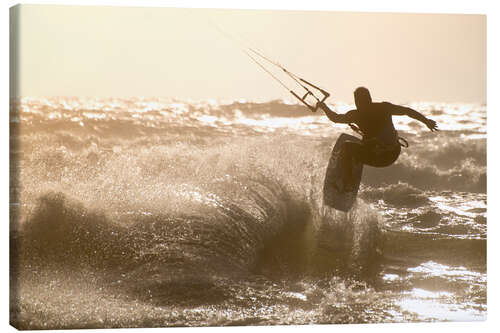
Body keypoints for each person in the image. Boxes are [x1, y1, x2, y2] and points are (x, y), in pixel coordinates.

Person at [317, 87, 438, 190]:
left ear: (363, 100)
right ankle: (351, 168)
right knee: (361, 143)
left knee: (346, 147)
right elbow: (407, 111)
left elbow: (336, 118)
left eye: (359, 101)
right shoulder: (383, 108)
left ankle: (347, 182)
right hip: (393, 153)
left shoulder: (357, 114)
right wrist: (426, 121)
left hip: (379, 157)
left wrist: (324, 107)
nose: (359, 104)